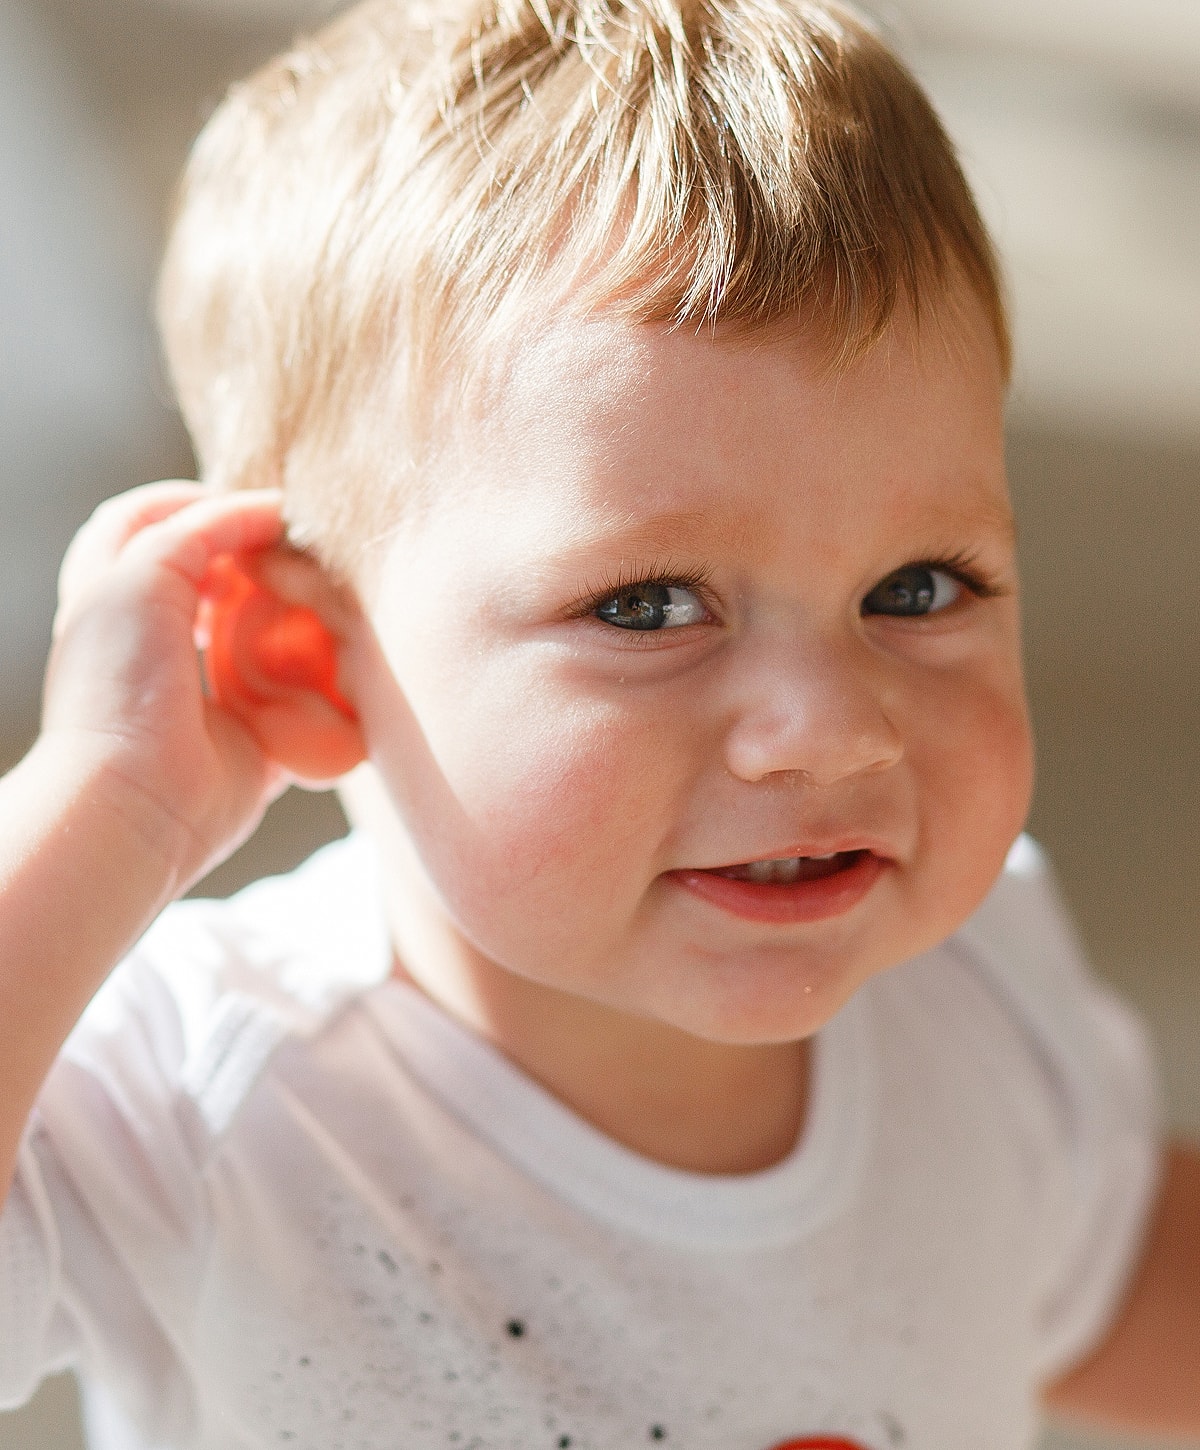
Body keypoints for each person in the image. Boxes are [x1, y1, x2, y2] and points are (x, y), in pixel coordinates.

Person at [0, 2, 1196, 1447]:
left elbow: (1117, 1280)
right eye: (646, 607)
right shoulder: (200, 1099)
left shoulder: (978, 995)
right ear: (308, 653)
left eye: (917, 585)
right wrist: (105, 807)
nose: (827, 730)